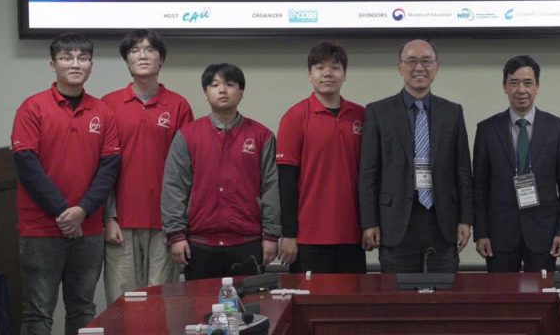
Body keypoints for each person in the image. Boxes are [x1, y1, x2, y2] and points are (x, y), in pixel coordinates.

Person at [10, 33, 120, 335]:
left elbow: (109, 168)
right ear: (53, 64)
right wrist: (63, 212)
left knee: (83, 309)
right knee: (38, 312)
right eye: (66, 57)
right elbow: (26, 164)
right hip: (41, 230)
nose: (75, 64)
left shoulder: (103, 111)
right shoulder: (32, 108)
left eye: (82, 58)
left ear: (91, 65)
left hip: (88, 229)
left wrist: (82, 211)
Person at [359, 39, 473, 273]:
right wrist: (369, 222)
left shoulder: (452, 112)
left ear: (436, 67)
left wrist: (465, 219)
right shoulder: (378, 112)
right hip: (395, 222)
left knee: (443, 293)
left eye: (426, 61)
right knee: (396, 294)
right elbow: (369, 173)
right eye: (411, 61)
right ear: (400, 67)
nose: (419, 68)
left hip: (442, 222)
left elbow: (462, 170)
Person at [161, 63, 281, 280]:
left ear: (241, 92)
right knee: (200, 301)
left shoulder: (262, 136)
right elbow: (174, 187)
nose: (222, 90)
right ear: (205, 93)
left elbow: (271, 188)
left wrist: (271, 235)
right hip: (199, 244)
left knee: (250, 301)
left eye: (230, 84)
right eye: (215, 85)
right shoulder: (187, 136)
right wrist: (176, 235)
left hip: (247, 242)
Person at [101, 29, 193, 302]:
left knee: (162, 303)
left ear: (161, 59)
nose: (142, 56)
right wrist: (108, 218)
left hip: (164, 222)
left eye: (150, 50)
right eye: (135, 50)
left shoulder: (178, 105)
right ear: (126, 60)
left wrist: (177, 225)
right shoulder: (108, 104)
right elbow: (101, 168)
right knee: (123, 303)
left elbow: (187, 170)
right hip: (121, 222)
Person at [473, 55, 560, 272]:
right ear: (505, 87)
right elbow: (479, 186)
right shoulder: (487, 129)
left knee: (542, 290)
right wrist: (481, 232)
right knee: (500, 292)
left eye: (528, 83)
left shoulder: (557, 129)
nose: (521, 90)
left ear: (537, 87)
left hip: (545, 232)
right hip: (499, 233)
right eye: (514, 83)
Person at [276, 41, 366, 274]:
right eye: (320, 67)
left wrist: (370, 224)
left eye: (335, 67)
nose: (328, 73)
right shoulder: (294, 117)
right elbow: (286, 181)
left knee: (353, 296)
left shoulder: (361, 116)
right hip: (308, 237)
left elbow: (371, 176)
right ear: (310, 75)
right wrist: (289, 233)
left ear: (344, 74)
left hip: (353, 235)